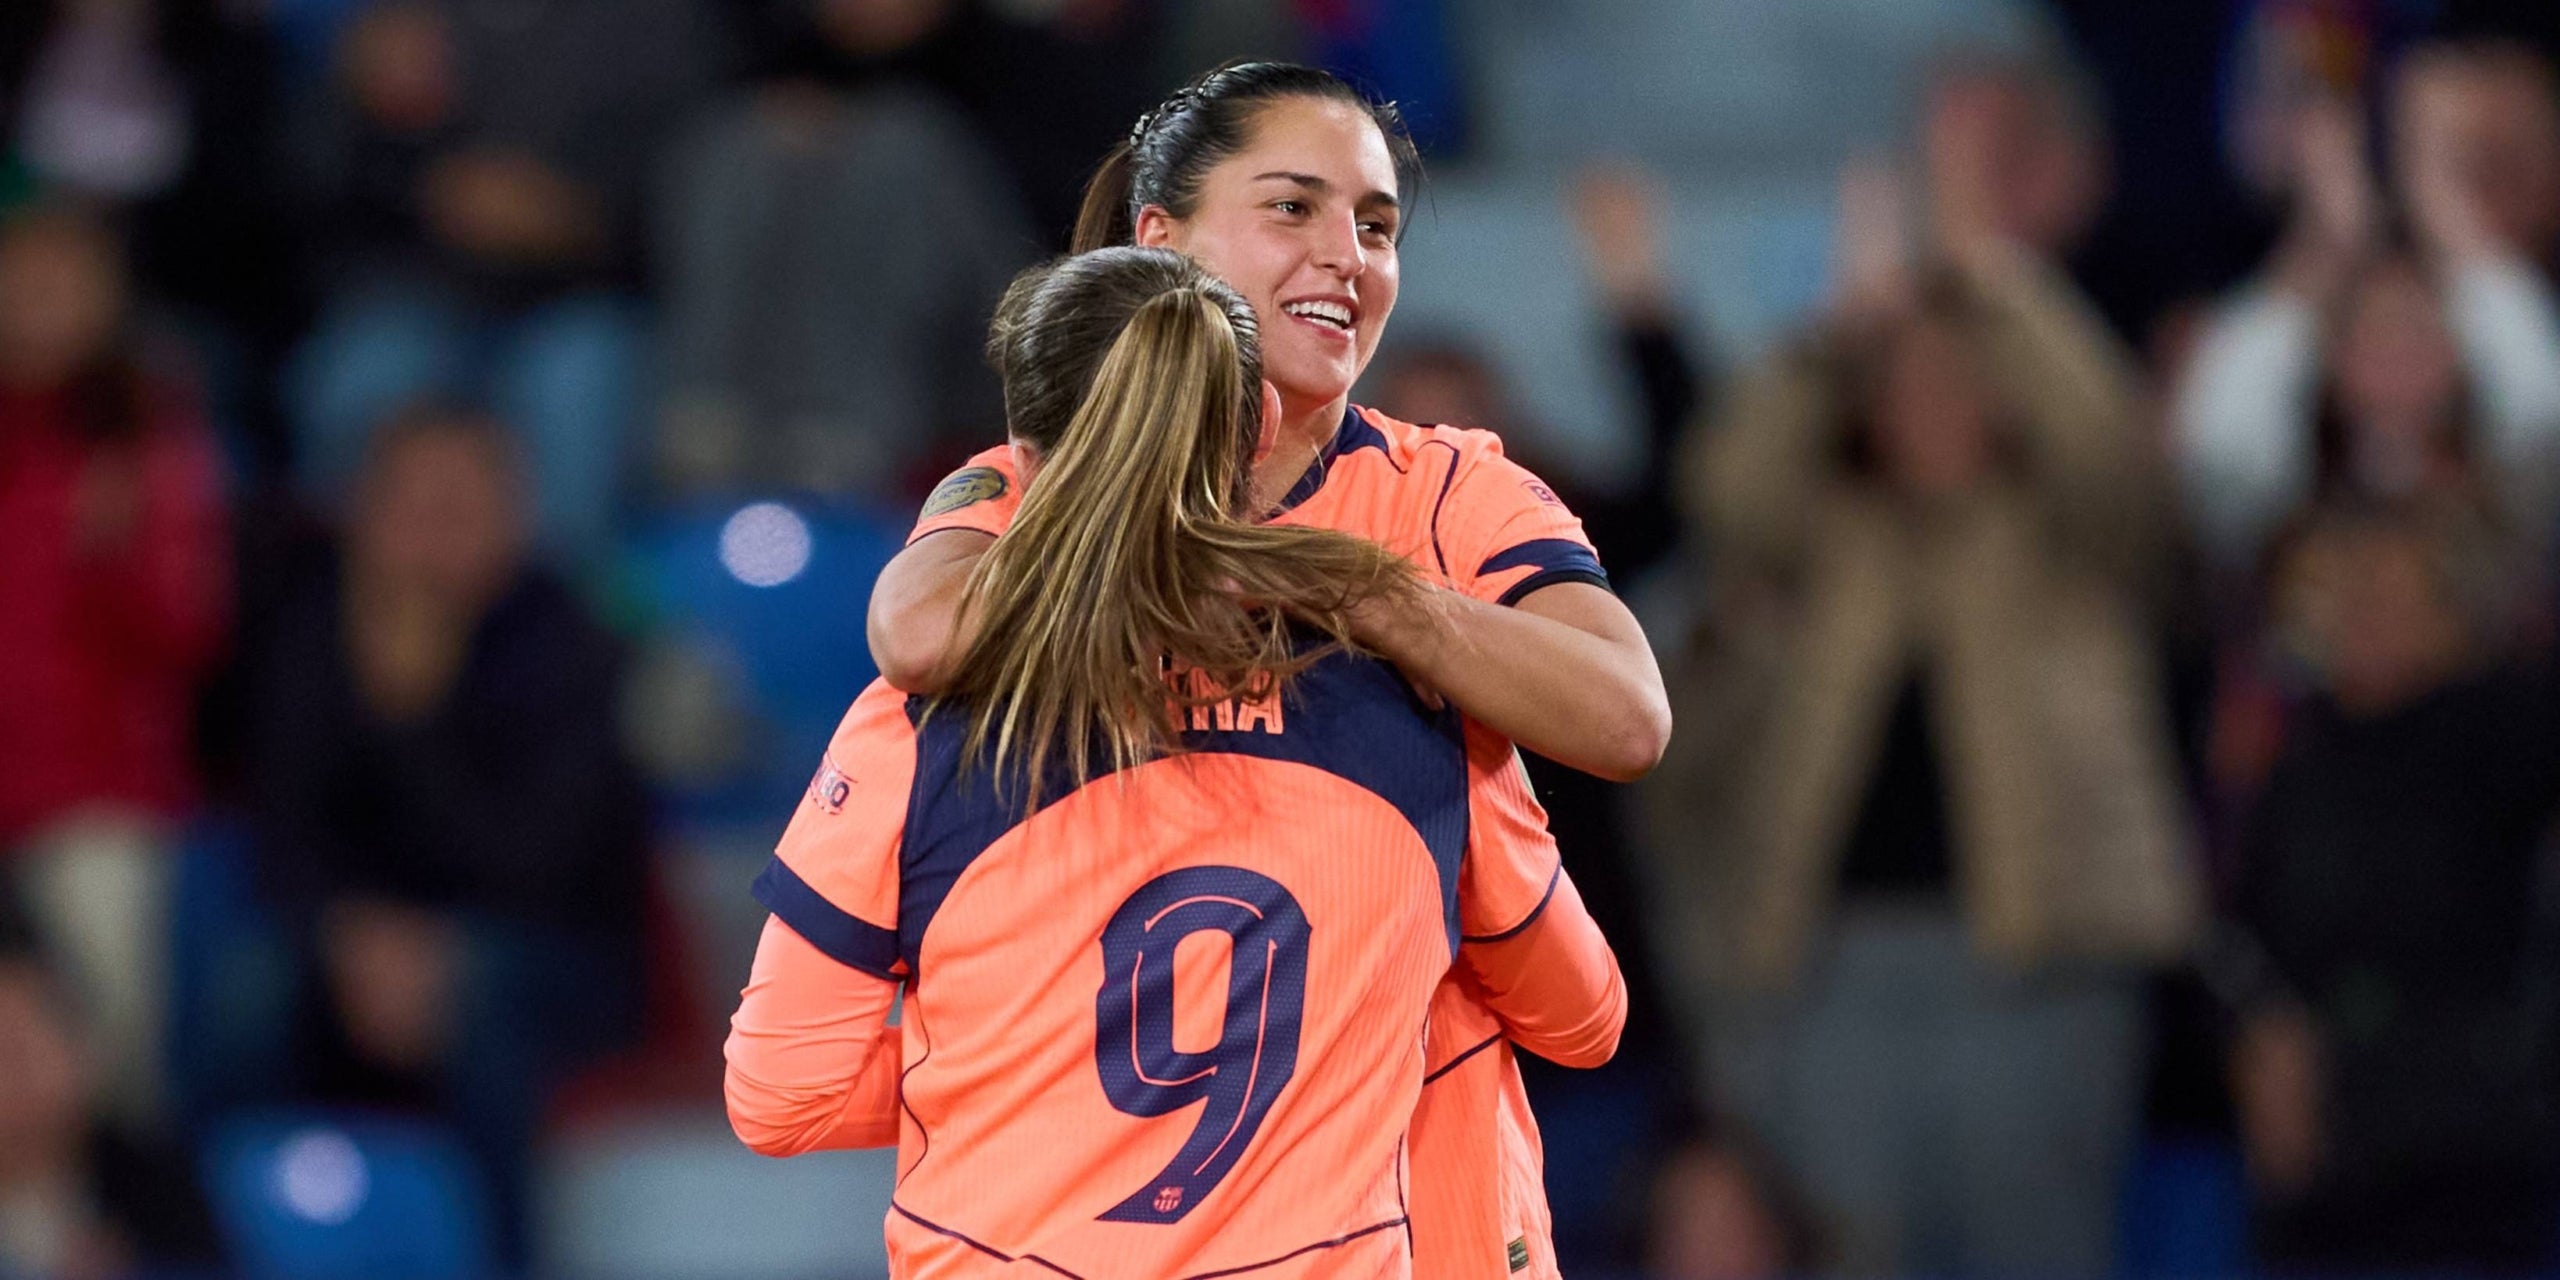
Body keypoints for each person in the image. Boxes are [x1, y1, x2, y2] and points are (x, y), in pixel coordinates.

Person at [859, 63, 1668, 1275]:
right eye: (1293, 207)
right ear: (1159, 239)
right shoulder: (1035, 476)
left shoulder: (1454, 486)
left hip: (1422, 1225)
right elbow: (918, 627)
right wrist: (1218, 551)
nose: (1348, 253)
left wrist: (1370, 592)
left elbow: (1624, 714)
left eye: (1377, 225)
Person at [230, 403, 650, 1268]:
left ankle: (502, 1260)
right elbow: (281, 833)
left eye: (458, 512)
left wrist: (414, 723)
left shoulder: (573, 643)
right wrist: (345, 937)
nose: (429, 540)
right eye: (409, 511)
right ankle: (227, 1242)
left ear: (517, 518)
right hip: (353, 951)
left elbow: (544, 867)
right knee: (246, 980)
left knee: (480, 988)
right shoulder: (310, 633)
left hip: (553, 955)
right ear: (362, 517)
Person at [0, 203, 229, 1134]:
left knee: (103, 1054)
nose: (43, 302)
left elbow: (190, 632)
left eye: (69, 279)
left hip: (93, 795)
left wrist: (119, 546)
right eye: (24, 276)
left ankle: (115, 1203)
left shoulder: (150, 440)